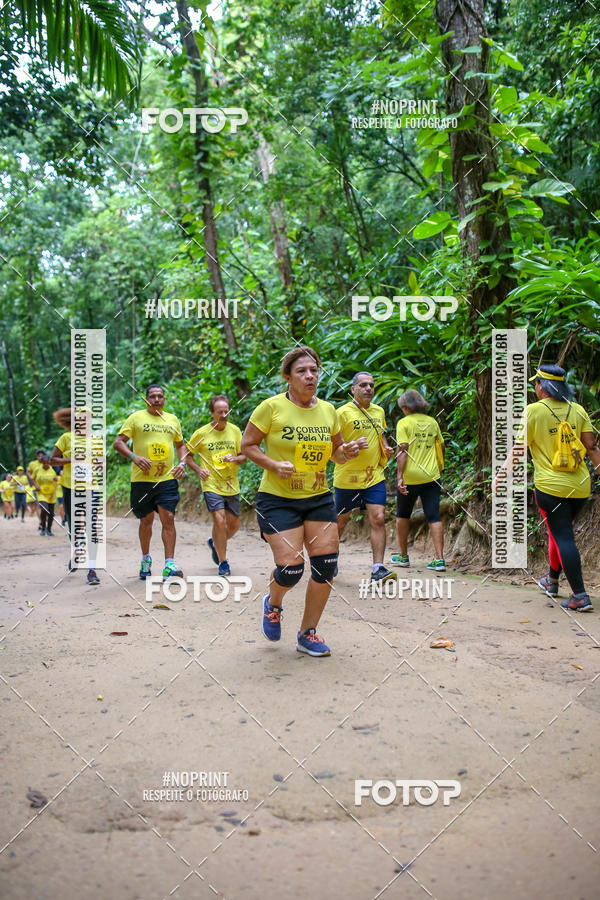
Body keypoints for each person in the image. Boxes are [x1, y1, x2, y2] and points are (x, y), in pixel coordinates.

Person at [241, 346, 364, 657]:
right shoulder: (270, 408)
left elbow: (335, 453)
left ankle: (307, 633)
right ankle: (273, 603)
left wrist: (346, 452)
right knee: (291, 568)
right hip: (277, 499)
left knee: (325, 565)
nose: (310, 376)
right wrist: (273, 465)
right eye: (302, 371)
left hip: (318, 496)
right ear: (288, 377)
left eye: (314, 370)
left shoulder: (328, 411)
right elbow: (248, 444)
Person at [524, 364, 600, 612]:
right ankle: (552, 581)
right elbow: (592, 447)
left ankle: (580, 595)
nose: (534, 387)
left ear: (542, 386)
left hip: (550, 488)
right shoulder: (577, 410)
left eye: (536, 383)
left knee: (563, 536)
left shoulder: (533, 411)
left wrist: (500, 475)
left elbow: (517, 449)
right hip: (580, 488)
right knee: (559, 531)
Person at [114, 385, 187, 580]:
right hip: (142, 481)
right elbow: (118, 442)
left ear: (164, 400)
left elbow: (180, 445)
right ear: (146, 400)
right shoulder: (136, 418)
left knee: (168, 517)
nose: (156, 399)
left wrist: (182, 463)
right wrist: (134, 457)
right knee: (146, 521)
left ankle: (169, 565)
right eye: (152, 396)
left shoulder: (172, 420)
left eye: (160, 396)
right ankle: (146, 559)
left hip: (166, 479)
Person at [333, 371, 396, 584]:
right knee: (340, 522)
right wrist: (348, 446)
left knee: (378, 518)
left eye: (371, 385)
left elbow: (381, 435)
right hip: (347, 477)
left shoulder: (379, 411)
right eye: (363, 385)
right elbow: (332, 445)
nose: (368, 388)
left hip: (373, 475)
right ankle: (330, 558)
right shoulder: (341, 413)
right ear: (353, 389)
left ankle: (378, 568)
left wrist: (386, 448)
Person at [184, 395, 246, 576]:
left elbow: (244, 457)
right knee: (219, 520)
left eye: (226, 411)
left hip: (231, 484)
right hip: (211, 483)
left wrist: (234, 458)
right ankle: (223, 562)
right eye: (220, 412)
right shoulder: (202, 433)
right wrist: (198, 470)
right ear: (212, 413)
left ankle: (215, 542)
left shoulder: (235, 431)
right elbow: (187, 455)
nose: (224, 415)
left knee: (233, 526)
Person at [392, 389, 446, 572]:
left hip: (411, 476)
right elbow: (441, 446)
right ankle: (439, 559)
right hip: (431, 475)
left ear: (406, 407)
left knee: (402, 514)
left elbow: (402, 450)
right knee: (433, 515)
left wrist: (399, 476)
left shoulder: (403, 423)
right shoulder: (432, 422)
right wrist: (439, 468)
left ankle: (403, 556)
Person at [51, 408, 103, 585]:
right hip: (69, 487)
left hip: (91, 487)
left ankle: (92, 570)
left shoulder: (95, 441)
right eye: (81, 418)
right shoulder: (66, 438)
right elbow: (52, 460)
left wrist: (99, 464)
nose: (85, 421)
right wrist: (71, 460)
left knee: (92, 525)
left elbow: (100, 462)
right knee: (73, 525)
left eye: (88, 419)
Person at [31, 455, 58, 535]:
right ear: (42, 462)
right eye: (44, 463)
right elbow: (32, 479)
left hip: (51, 494)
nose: (46, 464)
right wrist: (36, 486)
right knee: (44, 509)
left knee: (51, 512)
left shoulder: (52, 470)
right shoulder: (37, 469)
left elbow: (55, 479)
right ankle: (43, 527)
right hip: (41, 493)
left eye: (47, 462)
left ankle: (49, 529)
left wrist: (55, 480)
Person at [27, 449, 45, 525]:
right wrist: (32, 479)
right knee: (39, 505)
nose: (40, 457)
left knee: (46, 506)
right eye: (38, 456)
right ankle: (41, 522)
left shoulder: (47, 463)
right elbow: (28, 471)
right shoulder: (32, 464)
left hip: (47, 488)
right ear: (37, 456)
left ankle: (44, 520)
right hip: (36, 488)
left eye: (41, 456)